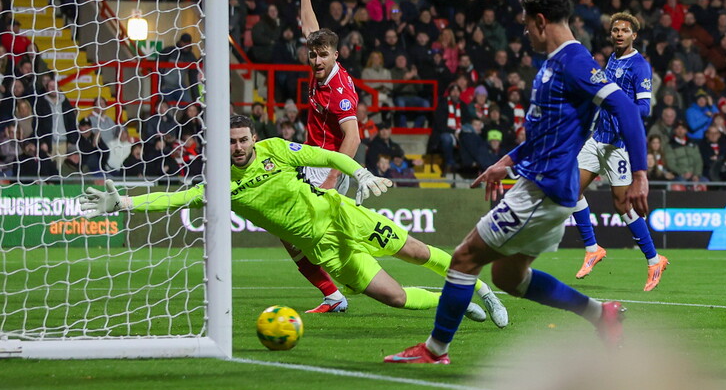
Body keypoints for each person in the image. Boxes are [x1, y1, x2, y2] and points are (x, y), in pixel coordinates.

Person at [386, 0, 649, 364]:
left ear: (540, 21)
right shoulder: (554, 63)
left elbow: (626, 109)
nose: (525, 31)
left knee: (463, 259)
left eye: (527, 23)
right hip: (547, 187)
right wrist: (505, 161)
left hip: (541, 190)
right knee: (509, 278)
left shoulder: (573, 61)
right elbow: (546, 133)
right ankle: (600, 314)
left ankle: (434, 350)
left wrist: (639, 173)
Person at [78, 116, 507, 325]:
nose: (240, 147)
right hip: (325, 251)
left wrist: (359, 173)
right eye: (232, 142)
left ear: (252, 138)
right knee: (394, 297)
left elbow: (327, 155)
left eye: (244, 139)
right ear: (221, 146)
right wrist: (125, 205)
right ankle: (456, 301)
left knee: (414, 251)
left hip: (343, 217)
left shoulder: (275, 149)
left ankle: (482, 289)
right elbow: (174, 198)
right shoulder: (220, 184)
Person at [572, 12, 669, 291]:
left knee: (622, 206)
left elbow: (644, 108)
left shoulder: (640, 66)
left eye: (624, 31)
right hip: (597, 138)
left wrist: (616, 105)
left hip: (619, 145)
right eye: (615, 30)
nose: (618, 34)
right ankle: (593, 248)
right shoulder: (612, 59)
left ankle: (653, 259)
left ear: (634, 35)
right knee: (570, 190)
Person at [286, 0, 362, 313]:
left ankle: (343, 285)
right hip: (311, 160)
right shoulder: (321, 64)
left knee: (295, 231)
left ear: (336, 56)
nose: (315, 59)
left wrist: (332, 177)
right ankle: (336, 290)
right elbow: (310, 29)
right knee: (292, 233)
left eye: (321, 55)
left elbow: (354, 137)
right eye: (312, 54)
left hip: (326, 166)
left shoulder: (339, 92)